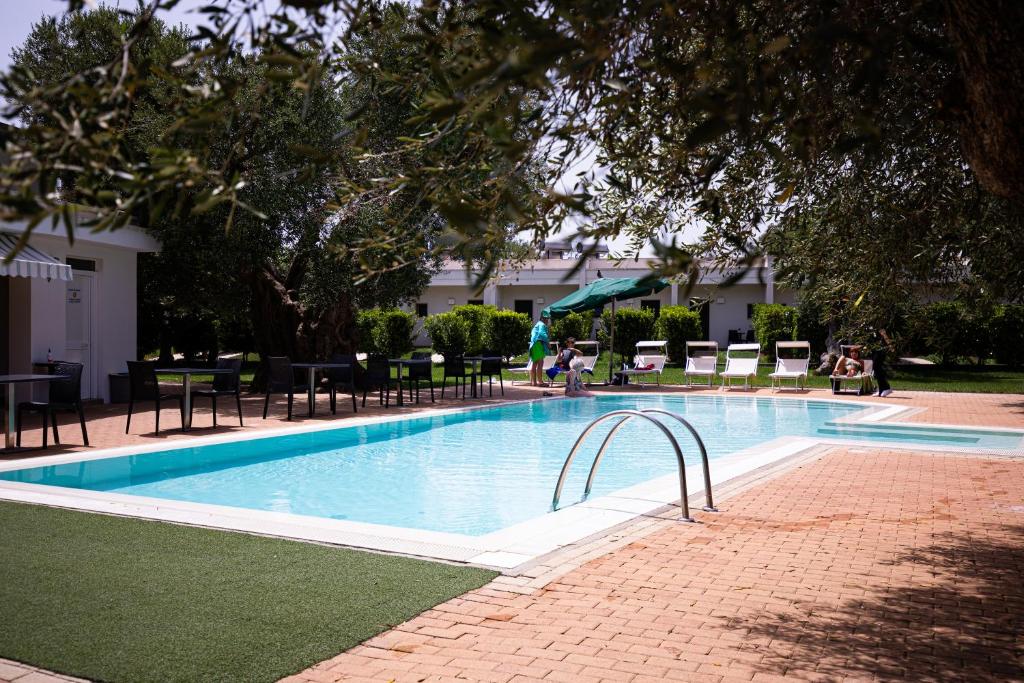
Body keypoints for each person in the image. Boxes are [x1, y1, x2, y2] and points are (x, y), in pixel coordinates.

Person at [528, 314, 551, 386]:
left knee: (534, 363)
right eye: (546, 319)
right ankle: (540, 382)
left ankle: (534, 382)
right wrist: (547, 342)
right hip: (538, 344)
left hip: (533, 345)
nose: (547, 320)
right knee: (540, 363)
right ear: (542, 319)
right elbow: (542, 334)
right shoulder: (542, 325)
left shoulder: (537, 325)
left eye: (547, 319)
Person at [872, 329, 894, 397]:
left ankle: (887, 388)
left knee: (878, 368)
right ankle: (881, 389)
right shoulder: (874, 329)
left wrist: (891, 347)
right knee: (876, 369)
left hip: (882, 351)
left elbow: (889, 340)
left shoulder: (883, 327)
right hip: (876, 350)